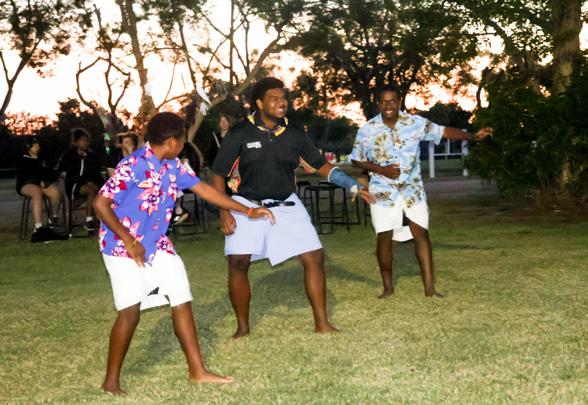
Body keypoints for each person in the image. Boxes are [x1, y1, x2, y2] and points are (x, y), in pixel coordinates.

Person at [93, 112, 274, 395]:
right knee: (130, 312)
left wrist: (247, 210)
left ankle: (197, 371)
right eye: (182, 141)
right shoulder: (133, 165)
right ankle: (111, 382)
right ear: (171, 142)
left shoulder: (173, 165)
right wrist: (129, 241)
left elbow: (203, 190)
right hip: (121, 246)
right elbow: (100, 204)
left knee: (181, 297)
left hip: (157, 244)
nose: (183, 145)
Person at [211, 77, 375, 338]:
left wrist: (352, 185)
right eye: (274, 98)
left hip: (286, 203)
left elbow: (321, 165)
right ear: (259, 103)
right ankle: (242, 328)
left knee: (314, 257)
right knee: (238, 263)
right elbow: (218, 173)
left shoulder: (295, 133)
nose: (281, 103)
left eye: (283, 98)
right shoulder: (240, 133)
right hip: (246, 204)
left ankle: (322, 324)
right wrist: (224, 211)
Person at [350, 83, 492, 298]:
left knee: (421, 233)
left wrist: (472, 136)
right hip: (382, 191)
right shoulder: (367, 130)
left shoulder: (415, 123)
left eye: (392, 101)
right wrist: (380, 170)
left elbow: (444, 131)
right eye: (384, 102)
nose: (388, 105)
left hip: (412, 190)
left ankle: (430, 288)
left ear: (399, 102)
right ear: (378, 104)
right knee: (384, 236)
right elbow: (356, 159)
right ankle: (388, 288)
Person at [57, 128, 105, 231]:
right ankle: (89, 220)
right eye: (82, 140)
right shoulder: (69, 155)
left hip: (90, 183)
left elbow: (96, 172)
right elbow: (66, 172)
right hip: (74, 184)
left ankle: (100, 219)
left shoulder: (91, 156)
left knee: (102, 192)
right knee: (91, 190)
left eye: (86, 141)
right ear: (76, 142)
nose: (85, 143)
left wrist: (100, 185)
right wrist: (85, 181)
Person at [15, 137, 61, 238]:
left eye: (38, 145)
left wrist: (48, 181)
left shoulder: (41, 159)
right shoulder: (23, 159)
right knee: (36, 192)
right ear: (28, 147)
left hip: (40, 184)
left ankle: (53, 219)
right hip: (26, 184)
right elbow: (24, 176)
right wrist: (38, 182)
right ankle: (38, 227)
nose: (37, 147)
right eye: (35, 145)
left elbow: (50, 172)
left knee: (55, 192)